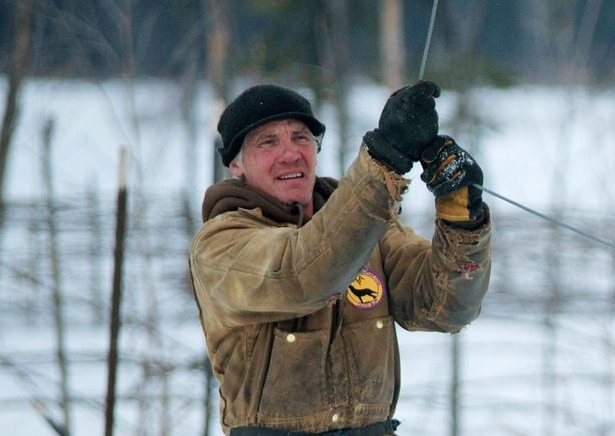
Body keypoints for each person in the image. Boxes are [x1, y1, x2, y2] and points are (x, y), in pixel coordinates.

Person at [189, 81, 491, 435]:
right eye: (268, 142)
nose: (290, 153)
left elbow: (446, 307)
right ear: (236, 165)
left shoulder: (368, 228)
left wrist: (460, 216)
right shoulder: (220, 243)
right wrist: (383, 161)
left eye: (301, 137)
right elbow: (303, 273)